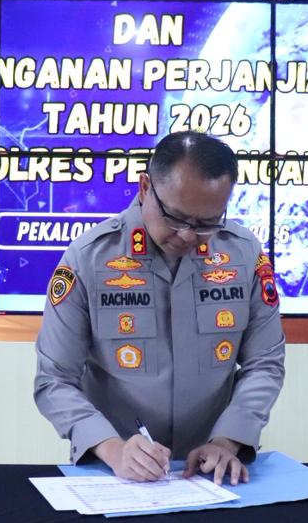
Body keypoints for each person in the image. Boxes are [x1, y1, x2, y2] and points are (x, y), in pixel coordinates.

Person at [34, 131, 286, 486]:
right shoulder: (88, 259)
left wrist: (227, 440)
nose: (188, 235)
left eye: (207, 222)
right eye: (176, 218)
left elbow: (265, 364)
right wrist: (112, 448)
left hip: (213, 474)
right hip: (115, 474)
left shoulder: (243, 255)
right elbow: (54, 379)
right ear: (145, 188)